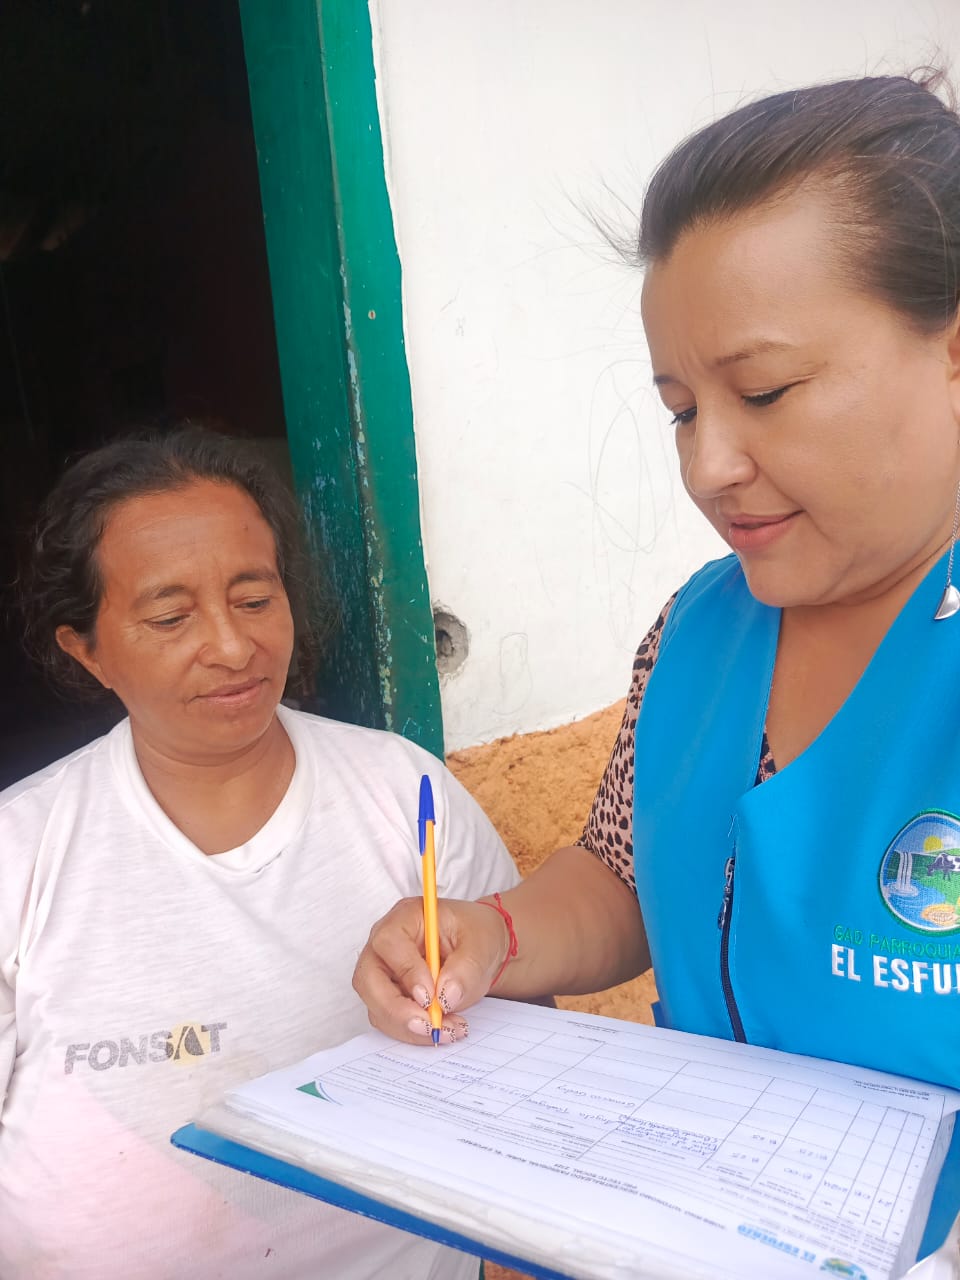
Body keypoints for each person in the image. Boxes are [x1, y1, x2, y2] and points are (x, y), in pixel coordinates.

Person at [353, 71, 960, 1137]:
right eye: (682, 411)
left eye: (763, 392)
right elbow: (630, 876)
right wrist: (494, 934)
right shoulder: (699, 631)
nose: (709, 466)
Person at [0, 426, 519, 1279]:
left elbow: (527, 1048)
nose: (234, 647)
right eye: (171, 617)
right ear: (86, 651)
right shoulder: (22, 854)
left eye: (253, 599)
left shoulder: (404, 795)